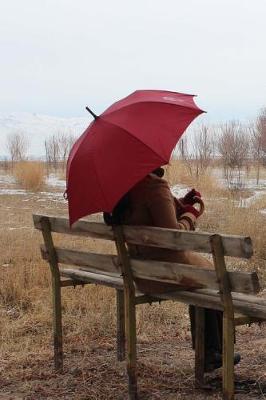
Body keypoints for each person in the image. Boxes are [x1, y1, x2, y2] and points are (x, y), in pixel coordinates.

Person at [104, 167, 240, 372]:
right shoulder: (154, 186)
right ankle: (212, 353)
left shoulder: (119, 188)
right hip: (167, 272)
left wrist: (177, 204)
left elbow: (147, 215)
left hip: (141, 272)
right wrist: (190, 216)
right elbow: (174, 238)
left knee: (206, 276)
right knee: (214, 278)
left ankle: (211, 352)